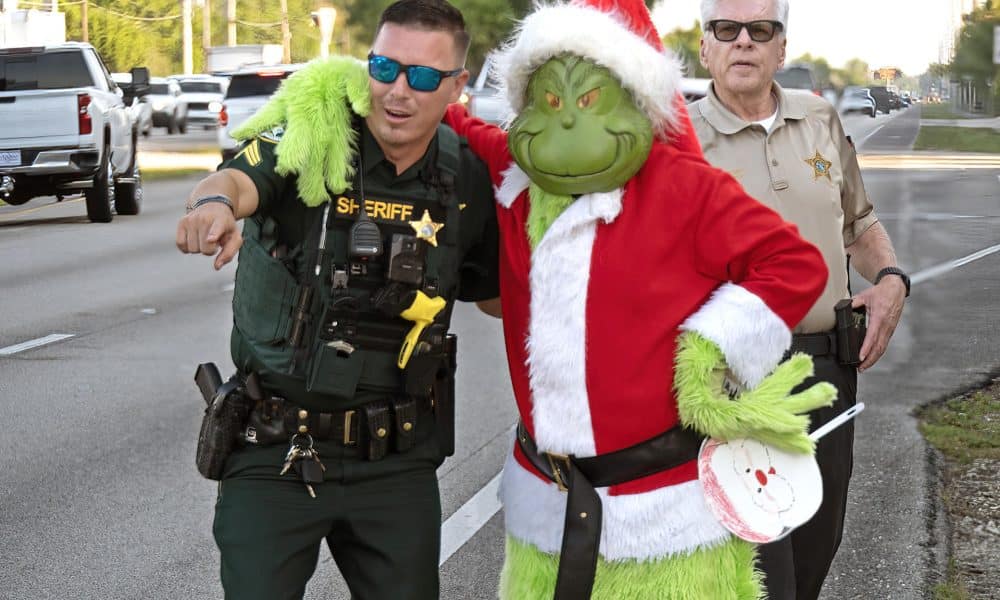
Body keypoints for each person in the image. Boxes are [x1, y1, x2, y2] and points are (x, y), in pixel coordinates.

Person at [438, 0, 837, 597]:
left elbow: (795, 263)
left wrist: (710, 347)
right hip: (545, 505)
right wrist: (354, 87)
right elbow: (450, 119)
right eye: (550, 102)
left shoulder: (681, 184)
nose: (565, 126)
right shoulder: (517, 173)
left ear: (635, 100)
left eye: (589, 101)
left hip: (661, 514)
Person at [175, 1, 499, 598]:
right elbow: (236, 180)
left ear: (456, 87)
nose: (398, 91)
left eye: (423, 77)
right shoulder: (317, 132)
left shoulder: (466, 178)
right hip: (275, 448)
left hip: (395, 461)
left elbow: (499, 299)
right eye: (384, 68)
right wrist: (212, 206)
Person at [689, 1, 910, 598]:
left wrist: (891, 279)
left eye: (760, 29)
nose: (743, 41)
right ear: (705, 46)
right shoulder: (679, 141)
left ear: (780, 48)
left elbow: (859, 223)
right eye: (726, 29)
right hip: (734, 383)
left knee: (815, 549)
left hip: (828, 369)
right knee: (762, 574)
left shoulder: (819, 119)